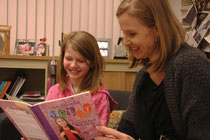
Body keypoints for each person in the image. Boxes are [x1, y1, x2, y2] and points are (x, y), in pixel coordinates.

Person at [96, 0, 210, 140]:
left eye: (132, 34)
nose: (125, 42)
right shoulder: (143, 76)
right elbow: (127, 130)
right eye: (124, 34)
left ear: (157, 29)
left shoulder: (191, 65)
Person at [46, 31, 117, 127]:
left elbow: (101, 133)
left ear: (92, 62)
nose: (73, 65)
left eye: (81, 61)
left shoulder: (100, 96)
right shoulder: (54, 91)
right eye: (69, 59)